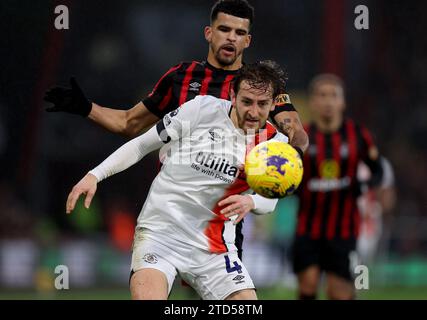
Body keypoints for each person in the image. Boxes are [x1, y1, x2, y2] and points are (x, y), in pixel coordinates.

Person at [44, 0, 309, 261]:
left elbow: (295, 132)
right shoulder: (181, 78)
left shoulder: (257, 89)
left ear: (247, 41)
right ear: (209, 33)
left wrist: (288, 161)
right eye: (224, 29)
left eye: (239, 33)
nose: (231, 38)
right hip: (171, 209)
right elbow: (129, 123)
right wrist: (86, 108)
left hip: (224, 218)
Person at [66, 61, 290, 300]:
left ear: (273, 103)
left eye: (262, 104)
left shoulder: (275, 145)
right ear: (233, 95)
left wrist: (252, 203)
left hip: (214, 248)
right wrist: (95, 175)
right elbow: (142, 144)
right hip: (161, 235)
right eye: (247, 101)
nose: (253, 112)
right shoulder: (201, 109)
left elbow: (271, 198)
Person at [292, 74, 383, 300]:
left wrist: (364, 187)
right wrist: (291, 188)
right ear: (312, 102)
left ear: (343, 102)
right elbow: (288, 174)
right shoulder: (300, 138)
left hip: (344, 231)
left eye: (333, 95)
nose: (327, 101)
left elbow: (378, 170)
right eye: (322, 95)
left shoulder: (358, 135)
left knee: (339, 293)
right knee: (308, 285)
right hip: (307, 228)